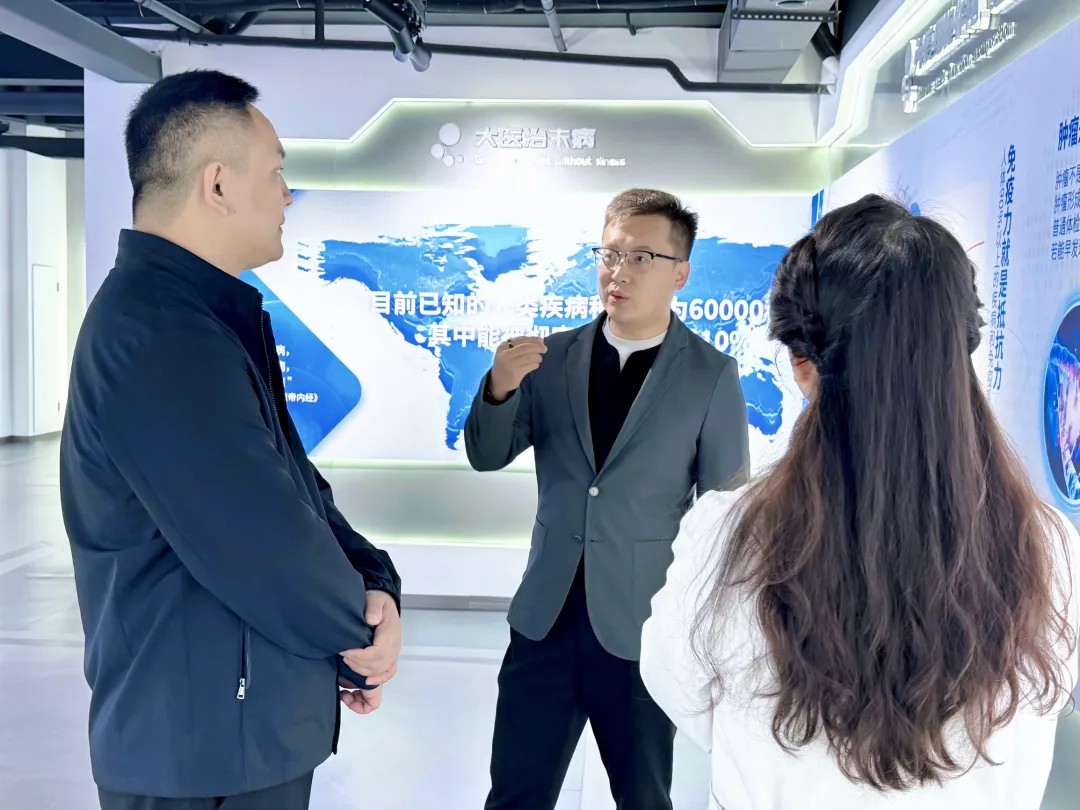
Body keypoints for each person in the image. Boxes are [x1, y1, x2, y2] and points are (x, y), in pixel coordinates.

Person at [640, 194, 1080, 810]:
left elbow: (680, 689)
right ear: (962, 347)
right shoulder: (1050, 546)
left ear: (801, 361)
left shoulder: (726, 535)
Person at [60, 69, 402, 810]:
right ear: (217, 184)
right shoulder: (160, 334)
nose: (287, 195)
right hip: (202, 748)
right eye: (276, 172)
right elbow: (262, 540)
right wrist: (360, 635)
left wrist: (374, 581)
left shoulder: (198, 318)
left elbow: (295, 492)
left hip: (230, 728)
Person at [465, 188, 751, 810]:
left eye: (641, 257)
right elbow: (487, 454)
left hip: (641, 627)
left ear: (680, 273)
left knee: (643, 798)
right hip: (544, 620)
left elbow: (723, 513)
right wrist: (498, 389)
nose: (618, 272)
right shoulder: (549, 359)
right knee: (514, 795)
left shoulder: (709, 375)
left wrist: (709, 632)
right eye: (609, 254)